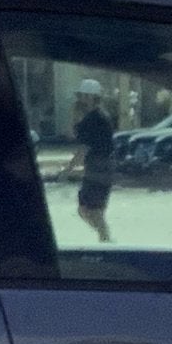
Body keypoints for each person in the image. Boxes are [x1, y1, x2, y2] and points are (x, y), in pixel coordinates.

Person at [71, 77, 117, 242]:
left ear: (92, 98)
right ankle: (104, 237)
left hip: (99, 167)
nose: (80, 100)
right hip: (101, 166)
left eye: (84, 96)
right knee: (90, 208)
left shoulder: (94, 119)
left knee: (90, 209)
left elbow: (84, 148)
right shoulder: (96, 117)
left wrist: (68, 169)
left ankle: (106, 239)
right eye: (80, 96)